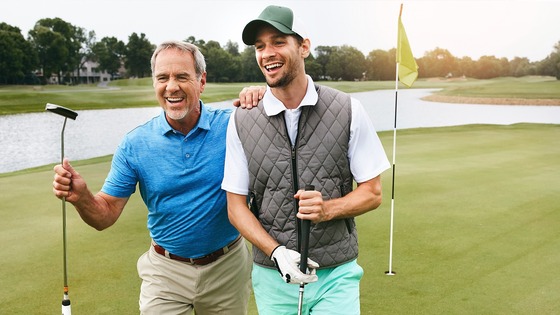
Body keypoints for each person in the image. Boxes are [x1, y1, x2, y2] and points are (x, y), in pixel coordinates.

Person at [52, 40, 252, 315]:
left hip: (227, 268)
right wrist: (82, 197)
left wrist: (261, 95)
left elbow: (279, 119)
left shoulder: (233, 125)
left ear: (201, 81)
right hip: (165, 271)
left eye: (182, 77)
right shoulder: (135, 143)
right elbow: (105, 214)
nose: (171, 87)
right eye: (162, 78)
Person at [221, 5, 391, 315]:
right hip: (273, 277)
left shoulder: (348, 110)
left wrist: (329, 209)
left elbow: (373, 192)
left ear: (304, 46)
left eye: (278, 41)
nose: (267, 53)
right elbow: (235, 207)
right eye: (260, 46)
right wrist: (276, 253)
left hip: (335, 274)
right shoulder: (241, 120)